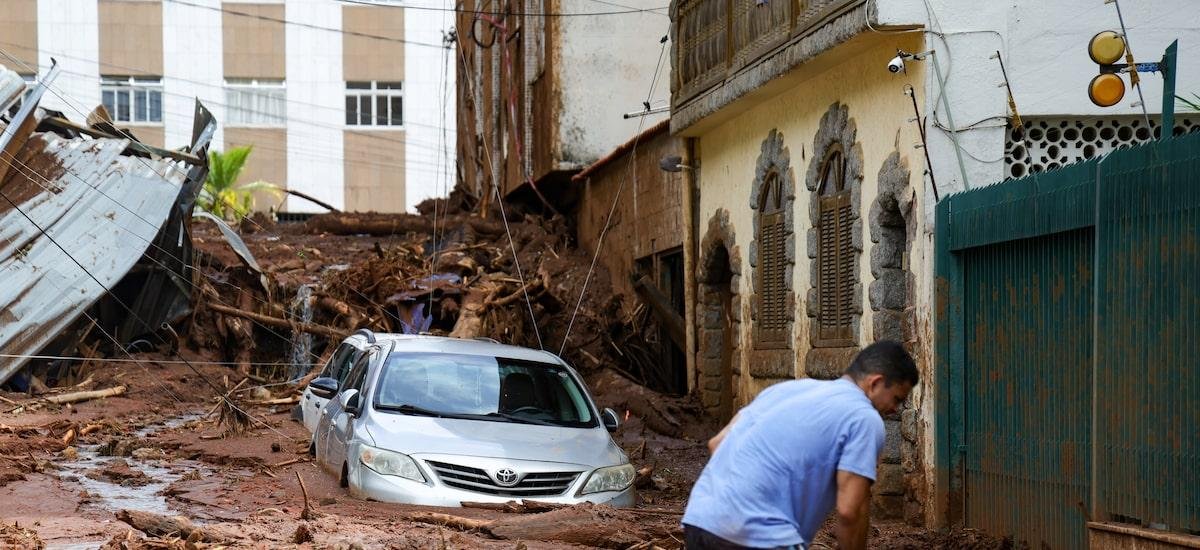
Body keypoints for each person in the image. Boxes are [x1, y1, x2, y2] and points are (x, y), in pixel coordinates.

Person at [681, 340, 918, 550]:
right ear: (875, 383)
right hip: (763, 537)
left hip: (701, 521)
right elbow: (849, 511)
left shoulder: (786, 390)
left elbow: (717, 443)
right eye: (897, 398)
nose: (895, 409)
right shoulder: (864, 418)